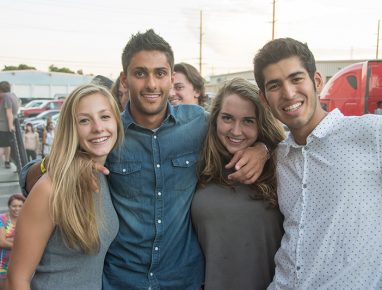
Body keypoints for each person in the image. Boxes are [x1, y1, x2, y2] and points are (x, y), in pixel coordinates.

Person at [21, 29, 268, 290]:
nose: (151, 84)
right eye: (140, 73)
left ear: (171, 78)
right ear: (125, 79)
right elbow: (28, 179)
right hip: (120, 281)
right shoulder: (107, 132)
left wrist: (262, 148)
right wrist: (62, 165)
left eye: (160, 73)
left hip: (183, 280)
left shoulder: (198, 123)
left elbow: (244, 133)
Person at [253, 37, 382, 289]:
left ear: (317, 81)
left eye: (296, 79)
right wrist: (262, 148)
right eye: (275, 85)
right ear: (265, 99)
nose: (288, 93)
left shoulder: (374, 134)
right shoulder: (279, 158)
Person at [7, 84, 124, 290]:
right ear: (71, 129)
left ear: (117, 121)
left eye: (105, 116)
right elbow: (17, 279)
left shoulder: (102, 175)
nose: (98, 127)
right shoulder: (50, 188)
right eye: (84, 120)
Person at [191, 78, 285, 290]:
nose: (235, 130)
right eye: (227, 118)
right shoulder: (198, 163)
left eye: (248, 121)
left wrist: (265, 149)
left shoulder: (280, 165)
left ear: (261, 123)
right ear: (215, 118)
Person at [0, 194, 25, 290]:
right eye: (14, 206)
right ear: (9, 206)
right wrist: (18, 243)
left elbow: (26, 242)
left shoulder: (25, 220)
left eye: (20, 206)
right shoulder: (2, 218)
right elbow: (2, 242)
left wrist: (8, 239)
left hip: (19, 262)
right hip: (2, 262)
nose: (16, 209)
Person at [0, 81, 17, 169]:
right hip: (8, 126)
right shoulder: (13, 95)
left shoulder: (6, 97)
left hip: (3, 126)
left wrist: (10, 126)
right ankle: (7, 161)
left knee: (2, 147)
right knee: (7, 145)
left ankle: (6, 161)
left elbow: (9, 112)